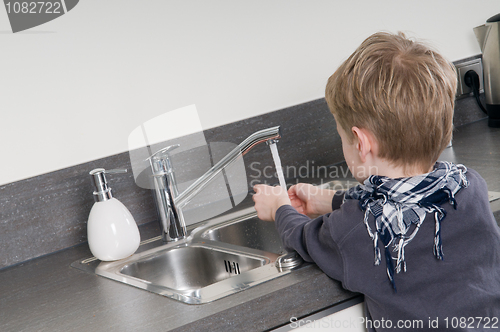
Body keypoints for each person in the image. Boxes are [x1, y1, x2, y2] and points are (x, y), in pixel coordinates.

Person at [253, 32, 500, 331]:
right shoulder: (469, 186)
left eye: (342, 138)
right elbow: (402, 198)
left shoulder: (356, 229)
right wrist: (328, 199)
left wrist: (279, 207)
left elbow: (304, 238)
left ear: (360, 143)